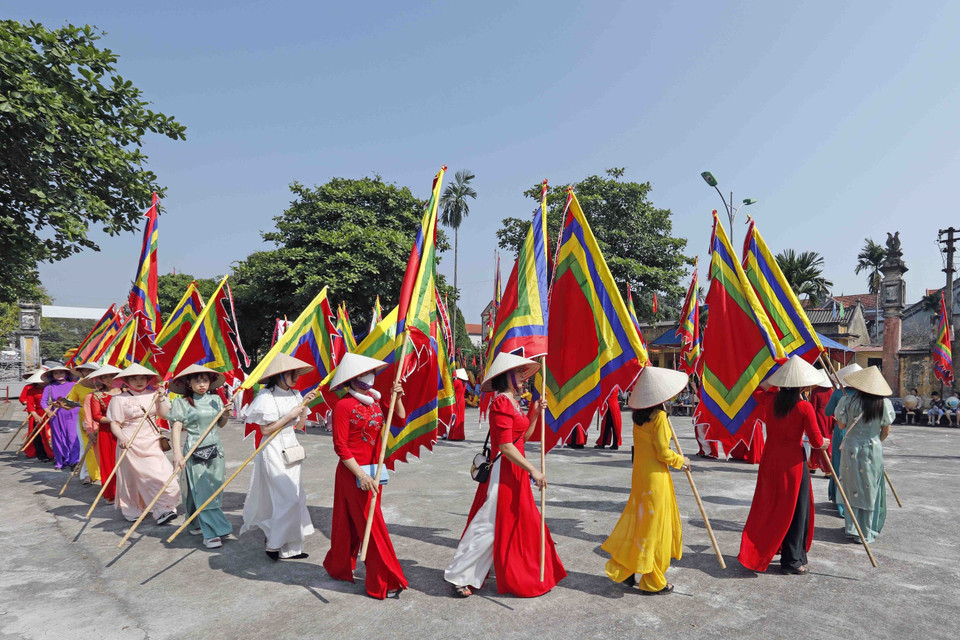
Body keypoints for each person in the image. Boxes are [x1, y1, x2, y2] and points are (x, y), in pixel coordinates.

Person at [444, 352, 566, 598]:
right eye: (519, 372)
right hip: (503, 472)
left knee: (512, 522)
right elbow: (506, 446)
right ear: (506, 376)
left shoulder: (513, 402)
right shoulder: (501, 402)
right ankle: (459, 574)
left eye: (522, 372)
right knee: (488, 524)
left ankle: (489, 572)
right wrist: (533, 469)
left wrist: (534, 414)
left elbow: (523, 438)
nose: (523, 377)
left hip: (515, 471)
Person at [323, 353, 408, 599]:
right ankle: (383, 580)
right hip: (354, 474)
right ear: (352, 379)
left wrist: (398, 397)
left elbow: (399, 419)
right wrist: (360, 475)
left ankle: (339, 566)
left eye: (370, 373)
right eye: (363, 374)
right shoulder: (343, 406)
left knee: (358, 522)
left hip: (374, 471)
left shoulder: (374, 401)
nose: (370, 377)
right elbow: (340, 447)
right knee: (373, 526)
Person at [602, 366, 690, 595]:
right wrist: (682, 461)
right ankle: (652, 580)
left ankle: (628, 569)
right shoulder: (659, 416)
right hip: (655, 479)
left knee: (641, 524)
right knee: (654, 529)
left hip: (641, 476)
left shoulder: (639, 417)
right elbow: (663, 453)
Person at [739, 356, 828, 575]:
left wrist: (775, 376)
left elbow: (756, 390)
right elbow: (816, 442)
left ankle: (771, 550)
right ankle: (792, 560)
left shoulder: (771, 400)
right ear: (802, 386)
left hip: (770, 461)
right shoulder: (804, 407)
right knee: (796, 510)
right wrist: (825, 442)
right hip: (793, 465)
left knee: (772, 507)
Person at [241, 353, 317, 560]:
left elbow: (299, 426)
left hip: (292, 447)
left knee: (296, 497)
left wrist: (303, 408)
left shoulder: (296, 394)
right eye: (292, 373)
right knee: (287, 498)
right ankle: (273, 543)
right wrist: (289, 415)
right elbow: (265, 430)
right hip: (272, 449)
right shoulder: (265, 397)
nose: (296, 377)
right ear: (280, 375)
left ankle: (291, 549)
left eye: (296, 373)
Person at [168, 364, 234, 549]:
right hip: (194, 450)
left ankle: (194, 522)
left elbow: (220, 424)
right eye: (197, 381)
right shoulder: (182, 403)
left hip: (216, 450)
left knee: (212, 489)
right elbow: (177, 428)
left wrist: (226, 414)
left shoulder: (215, 400)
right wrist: (177, 453)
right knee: (203, 490)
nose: (202, 384)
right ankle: (212, 532)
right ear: (189, 383)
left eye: (205, 380)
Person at [106, 363, 179, 524]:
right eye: (134, 378)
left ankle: (163, 508)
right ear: (126, 381)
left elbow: (164, 415)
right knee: (133, 479)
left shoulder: (154, 394)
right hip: (130, 442)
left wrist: (162, 397)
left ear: (148, 379)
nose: (139, 382)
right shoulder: (118, 399)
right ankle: (134, 509)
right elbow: (115, 423)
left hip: (152, 441)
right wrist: (122, 437)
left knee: (162, 475)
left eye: (142, 378)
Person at [834, 366, 895, 543]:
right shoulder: (884, 404)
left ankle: (852, 528)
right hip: (873, 448)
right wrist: (874, 442)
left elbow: (841, 426)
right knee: (870, 488)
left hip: (851, 448)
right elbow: (886, 431)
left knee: (851, 487)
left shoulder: (847, 401)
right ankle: (866, 530)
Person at [80, 365, 122, 504]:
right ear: (101, 379)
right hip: (107, 433)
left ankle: (130, 493)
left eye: (112, 375)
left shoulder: (128, 393)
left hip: (127, 431)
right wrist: (114, 420)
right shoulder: (96, 396)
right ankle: (112, 493)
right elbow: (96, 416)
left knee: (128, 464)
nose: (109, 379)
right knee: (109, 463)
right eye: (105, 377)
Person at [825, 363, 861, 518]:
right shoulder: (865, 395)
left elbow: (828, 412)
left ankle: (839, 500)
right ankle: (853, 500)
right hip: (859, 434)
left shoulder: (839, 393)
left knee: (839, 466)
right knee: (854, 468)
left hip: (841, 432)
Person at [39, 365, 81, 470]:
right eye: (56, 373)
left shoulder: (74, 385)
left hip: (72, 415)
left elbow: (79, 400)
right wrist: (48, 411)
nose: (59, 375)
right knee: (58, 439)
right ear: (52, 375)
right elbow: (43, 402)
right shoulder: (49, 387)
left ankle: (74, 461)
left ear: (66, 374)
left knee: (73, 438)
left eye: (61, 372)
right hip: (56, 416)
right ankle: (60, 461)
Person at [68, 362, 102, 485]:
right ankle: (88, 474)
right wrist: (62, 404)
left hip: (102, 420)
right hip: (84, 420)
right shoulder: (78, 387)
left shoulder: (104, 385)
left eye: (91, 370)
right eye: (85, 370)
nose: (88, 373)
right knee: (86, 447)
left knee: (101, 446)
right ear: (81, 372)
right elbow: (71, 402)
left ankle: (103, 472)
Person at [19, 369, 53, 462]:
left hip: (53, 414)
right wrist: (35, 415)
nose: (43, 382)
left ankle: (55, 454)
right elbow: (29, 404)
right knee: (40, 436)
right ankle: (42, 455)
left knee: (51, 435)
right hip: (39, 415)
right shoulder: (31, 390)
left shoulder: (52, 388)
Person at [808, 372, 835, 476]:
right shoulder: (831, 391)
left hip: (818, 418)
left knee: (816, 440)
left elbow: (812, 408)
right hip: (829, 417)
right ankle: (828, 468)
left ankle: (814, 465)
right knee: (828, 442)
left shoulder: (815, 392)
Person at [448, 368, 468, 441]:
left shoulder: (457, 382)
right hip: (462, 401)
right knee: (460, 418)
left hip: (456, 401)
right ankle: (460, 435)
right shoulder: (464, 383)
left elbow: (451, 390)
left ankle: (454, 435)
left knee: (455, 418)